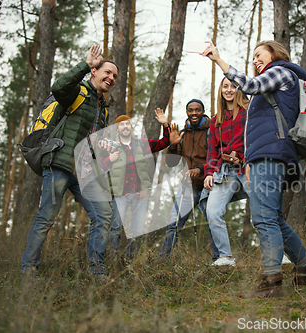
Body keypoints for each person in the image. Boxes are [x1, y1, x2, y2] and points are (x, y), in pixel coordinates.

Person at [202, 40, 306, 297]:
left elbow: (250, 85)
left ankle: (272, 282)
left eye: (259, 55)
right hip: (266, 157)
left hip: (271, 156)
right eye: (253, 56)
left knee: (264, 218)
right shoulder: (273, 84)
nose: (255, 60)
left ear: (274, 54)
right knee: (274, 218)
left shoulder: (280, 71)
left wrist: (219, 61)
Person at [21, 45, 117, 282]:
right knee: (46, 216)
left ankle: (95, 270)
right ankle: (28, 271)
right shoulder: (78, 91)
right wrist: (85, 64)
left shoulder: (102, 108)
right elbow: (58, 87)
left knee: (104, 214)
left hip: (84, 172)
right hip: (60, 164)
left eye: (115, 76)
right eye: (107, 72)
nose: (111, 78)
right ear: (94, 71)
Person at [99, 111, 181, 259]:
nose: (125, 127)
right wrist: (110, 159)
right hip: (120, 193)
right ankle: (113, 259)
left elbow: (164, 142)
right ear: (117, 129)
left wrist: (164, 124)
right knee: (115, 227)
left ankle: (130, 261)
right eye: (121, 125)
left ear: (131, 127)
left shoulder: (142, 144)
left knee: (137, 230)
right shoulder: (111, 146)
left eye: (127, 124)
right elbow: (100, 167)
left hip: (140, 194)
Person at [159, 99, 219, 260]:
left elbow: (216, 157)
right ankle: (163, 259)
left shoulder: (211, 131)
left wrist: (199, 169)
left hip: (209, 185)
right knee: (174, 223)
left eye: (197, 110)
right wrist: (172, 145)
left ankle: (219, 260)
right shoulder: (183, 133)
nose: (194, 113)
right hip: (188, 187)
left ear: (203, 111)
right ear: (187, 112)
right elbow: (172, 163)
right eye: (191, 110)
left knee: (214, 223)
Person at [202, 78, 250, 267]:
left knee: (264, 211)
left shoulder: (249, 113)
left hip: (248, 169)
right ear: (221, 90)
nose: (229, 90)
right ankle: (226, 257)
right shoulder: (216, 120)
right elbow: (212, 150)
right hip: (226, 172)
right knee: (213, 211)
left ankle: (279, 254)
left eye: (233, 86)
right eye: (225, 86)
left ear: (239, 89)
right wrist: (209, 172)